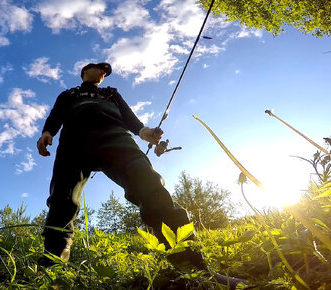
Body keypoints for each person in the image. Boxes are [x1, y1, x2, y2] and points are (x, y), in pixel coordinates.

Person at [36, 62, 247, 287]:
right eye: (100, 69)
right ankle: (52, 276)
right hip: (73, 142)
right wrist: (47, 132)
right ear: (86, 70)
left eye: (106, 72)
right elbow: (56, 115)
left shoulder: (111, 92)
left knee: (151, 187)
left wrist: (144, 132)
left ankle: (194, 269)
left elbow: (129, 117)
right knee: (61, 201)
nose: (104, 73)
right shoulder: (68, 94)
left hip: (116, 137)